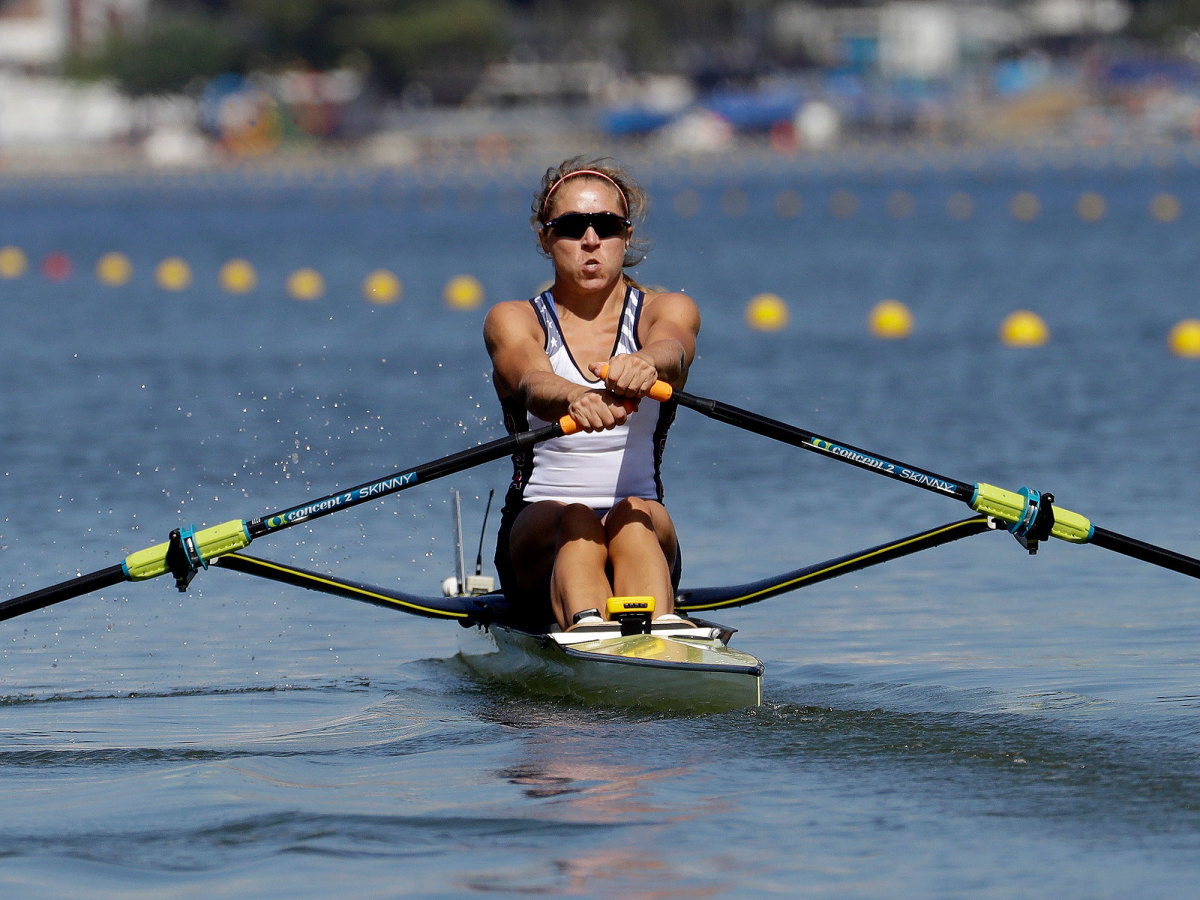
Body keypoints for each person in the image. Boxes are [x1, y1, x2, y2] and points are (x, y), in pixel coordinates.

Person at [484, 157, 700, 632]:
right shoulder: (514, 319)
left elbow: (675, 349)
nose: (590, 240)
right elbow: (529, 382)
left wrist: (646, 364)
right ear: (545, 238)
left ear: (626, 235)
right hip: (538, 540)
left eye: (606, 225)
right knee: (578, 518)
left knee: (632, 515)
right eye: (571, 226)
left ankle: (656, 632)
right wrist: (574, 398)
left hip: (641, 526)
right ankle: (590, 631)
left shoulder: (666, 308)